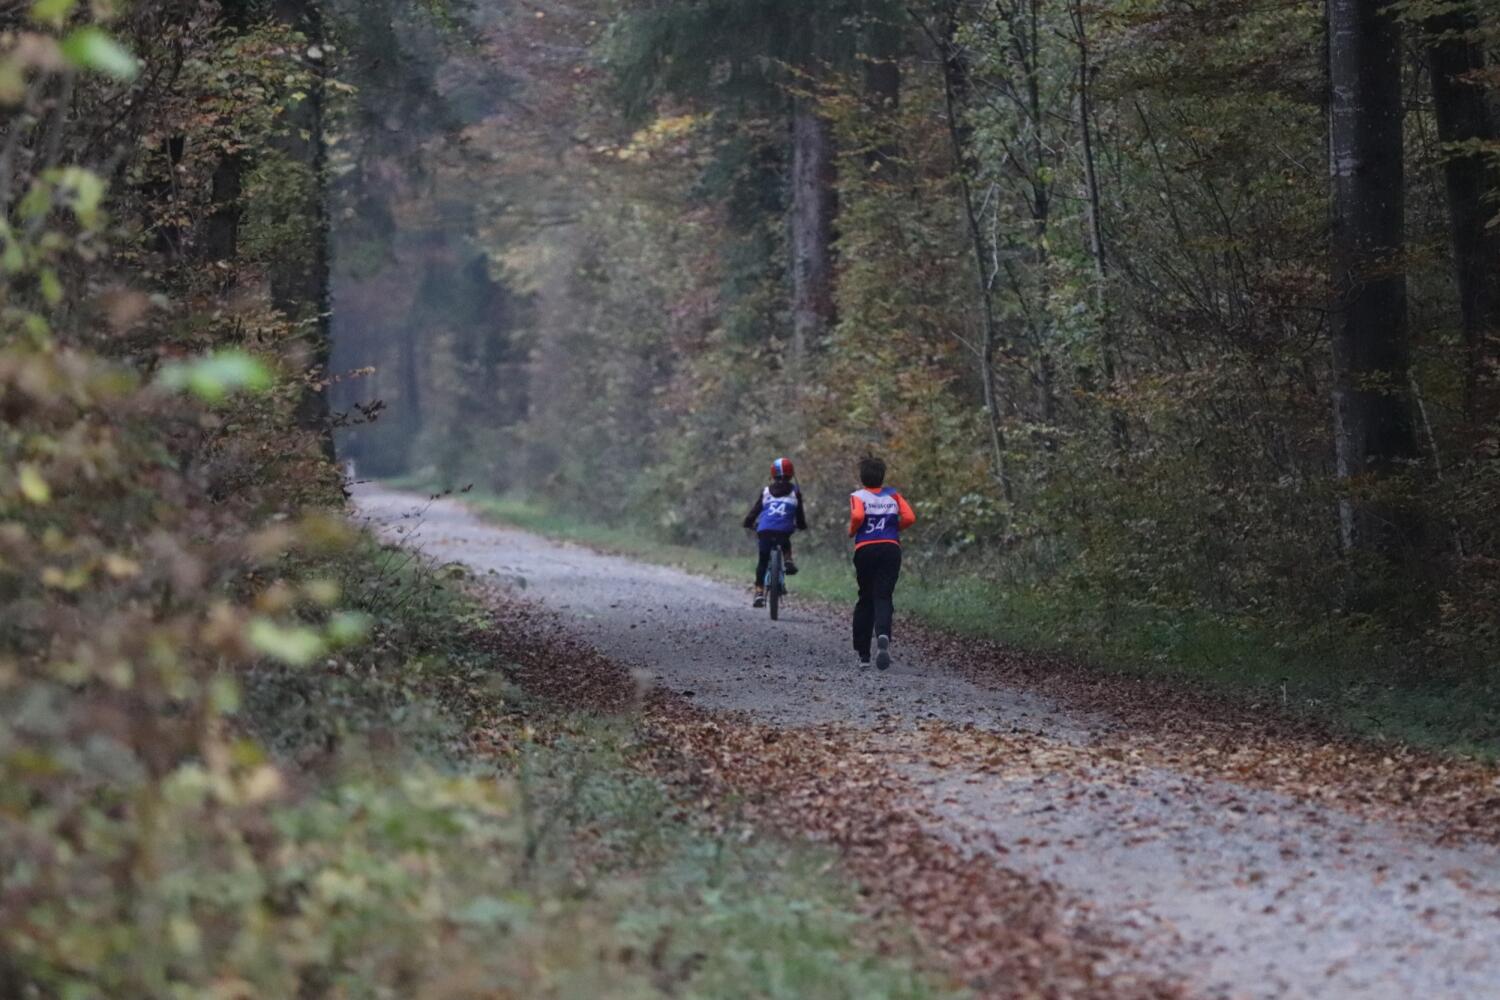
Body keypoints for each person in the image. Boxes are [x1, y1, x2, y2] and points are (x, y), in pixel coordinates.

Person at [848, 456, 915, 670]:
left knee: (865, 598)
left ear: (862, 478)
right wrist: (894, 529)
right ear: (882, 477)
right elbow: (910, 517)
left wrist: (852, 531)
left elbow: (857, 516)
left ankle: (863, 655)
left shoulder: (858, 496)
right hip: (890, 548)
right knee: (883, 596)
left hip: (866, 549)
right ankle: (883, 634)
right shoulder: (893, 495)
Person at [742, 456, 806, 607]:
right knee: (785, 540)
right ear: (791, 474)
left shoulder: (766, 492)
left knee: (763, 562)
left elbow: (755, 511)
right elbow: (799, 514)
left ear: (773, 474)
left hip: (764, 531)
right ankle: (788, 560)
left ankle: (759, 592)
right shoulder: (795, 492)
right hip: (784, 531)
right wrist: (801, 525)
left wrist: (748, 523)